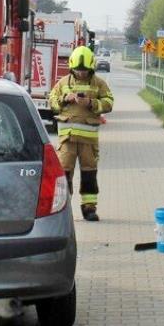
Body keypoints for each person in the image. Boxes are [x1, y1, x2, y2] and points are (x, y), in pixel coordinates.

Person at [47, 45, 114, 221]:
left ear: (91, 68)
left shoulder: (99, 83)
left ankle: (89, 208)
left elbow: (109, 102)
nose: (81, 73)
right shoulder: (63, 83)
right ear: (72, 67)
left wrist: (91, 103)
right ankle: (63, 209)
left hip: (88, 142)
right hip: (67, 140)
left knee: (89, 174)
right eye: (78, 70)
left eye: (85, 70)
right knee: (64, 174)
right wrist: (64, 99)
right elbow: (52, 103)